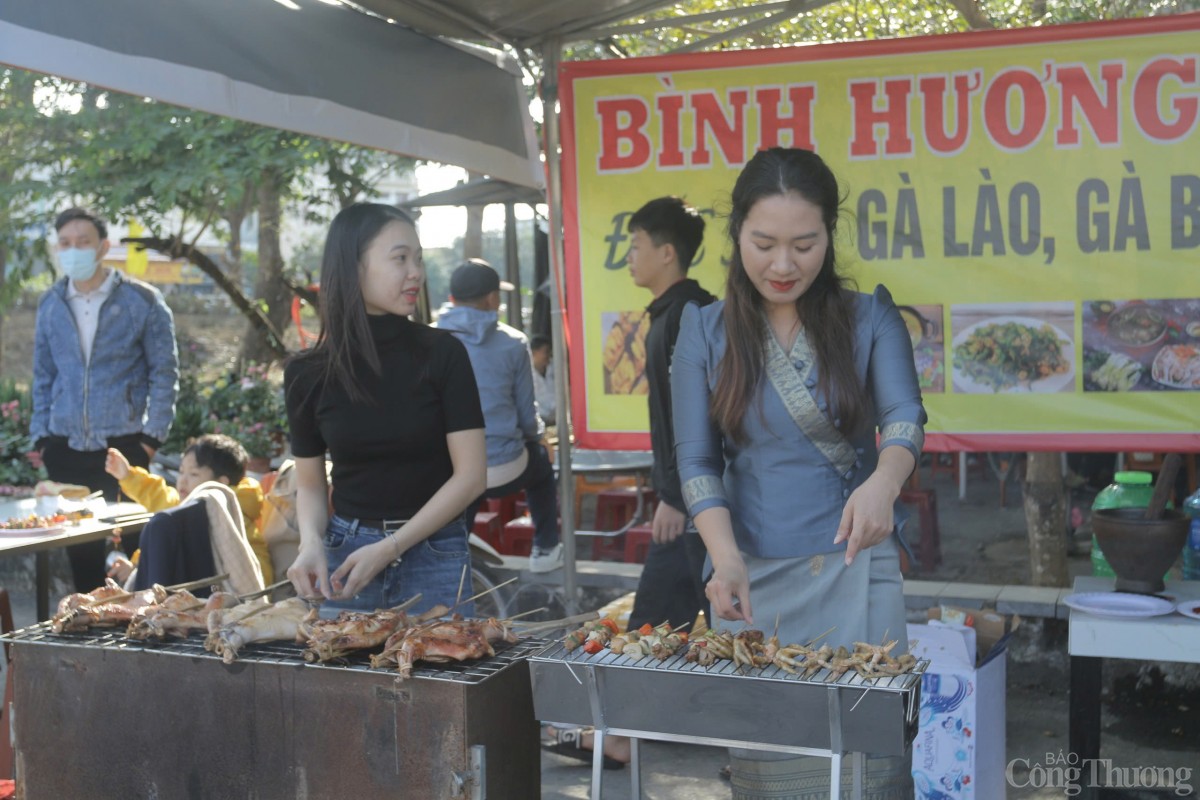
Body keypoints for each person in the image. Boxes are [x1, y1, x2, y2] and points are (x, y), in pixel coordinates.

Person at [671, 148, 926, 795]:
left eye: (804, 244)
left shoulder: (869, 317)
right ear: (736, 236)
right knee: (774, 773)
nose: (783, 265)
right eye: (764, 243)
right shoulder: (702, 331)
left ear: (828, 238)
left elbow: (903, 420)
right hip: (750, 582)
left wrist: (884, 482)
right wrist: (723, 557)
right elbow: (698, 462)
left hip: (857, 568)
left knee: (868, 769)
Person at [543, 197, 718, 770]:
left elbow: (693, 417)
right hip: (699, 496)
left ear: (668, 253)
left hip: (697, 498)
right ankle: (625, 733)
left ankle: (745, 744)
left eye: (637, 246)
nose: (630, 258)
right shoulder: (678, 312)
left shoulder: (685, 317)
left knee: (667, 617)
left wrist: (674, 494)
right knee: (677, 615)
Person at [284, 204, 486, 616]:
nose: (416, 272)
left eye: (418, 259)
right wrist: (310, 545)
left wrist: (390, 547)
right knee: (339, 677)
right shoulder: (308, 372)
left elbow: (471, 477)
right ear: (353, 266)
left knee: (441, 675)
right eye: (400, 258)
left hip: (436, 553)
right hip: (346, 556)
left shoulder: (443, 353)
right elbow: (309, 484)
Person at [30, 207, 179, 591]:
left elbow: (164, 372)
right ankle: (82, 632)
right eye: (65, 243)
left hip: (125, 447)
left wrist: (150, 439)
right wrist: (42, 438)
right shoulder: (50, 303)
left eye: (83, 242)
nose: (73, 250)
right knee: (78, 550)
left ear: (103, 246)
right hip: (64, 445)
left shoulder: (142, 301)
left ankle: (137, 634)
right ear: (57, 248)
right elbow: (43, 375)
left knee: (134, 550)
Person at [437, 259, 563, 574]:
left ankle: (450, 557)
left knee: (461, 490)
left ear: (452, 298)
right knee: (541, 464)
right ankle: (546, 549)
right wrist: (538, 438)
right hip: (505, 468)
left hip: (451, 470)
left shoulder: (430, 339)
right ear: (492, 299)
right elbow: (526, 416)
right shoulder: (513, 342)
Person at [104, 434, 273, 584]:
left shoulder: (236, 519)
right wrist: (127, 475)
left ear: (221, 484)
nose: (182, 481)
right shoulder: (181, 505)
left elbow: (258, 576)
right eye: (181, 471)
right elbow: (156, 493)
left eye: (193, 474)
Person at [528, 334, 556, 426]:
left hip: (558, 419)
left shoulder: (555, 367)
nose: (548, 355)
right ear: (534, 353)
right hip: (539, 422)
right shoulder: (526, 372)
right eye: (546, 352)